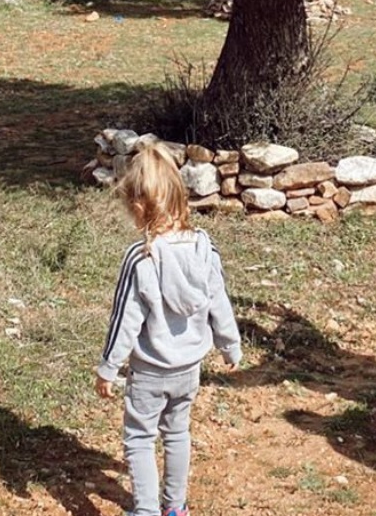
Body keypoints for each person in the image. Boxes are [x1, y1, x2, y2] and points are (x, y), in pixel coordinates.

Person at [96, 143, 243, 516]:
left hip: (149, 372)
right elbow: (218, 302)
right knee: (177, 433)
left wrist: (108, 368)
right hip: (189, 369)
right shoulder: (204, 249)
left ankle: (145, 511)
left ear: (138, 205)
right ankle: (174, 508)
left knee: (140, 439)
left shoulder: (141, 257)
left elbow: (125, 320)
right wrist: (231, 345)